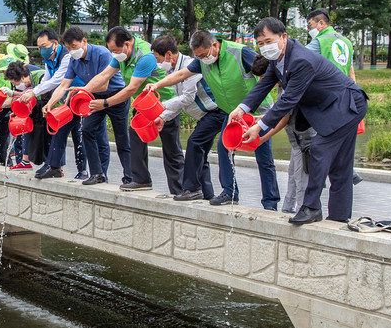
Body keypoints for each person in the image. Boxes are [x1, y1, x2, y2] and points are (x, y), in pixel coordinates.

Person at [233, 17, 367, 224]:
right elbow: (263, 85)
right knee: (340, 166)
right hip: (333, 106)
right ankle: (339, 218)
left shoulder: (301, 60)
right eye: (260, 43)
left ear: (284, 37)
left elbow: (288, 100)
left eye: (269, 41)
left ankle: (311, 207)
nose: (265, 47)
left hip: (347, 105)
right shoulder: (277, 60)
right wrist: (241, 109)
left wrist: (259, 127)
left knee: (319, 149)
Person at [149, 30, 280, 210]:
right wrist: (157, 84)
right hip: (232, 111)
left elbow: (267, 73)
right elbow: (180, 75)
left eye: (203, 54)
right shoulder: (202, 61)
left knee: (263, 156)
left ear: (215, 45)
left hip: (257, 110)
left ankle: (270, 203)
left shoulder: (240, 52)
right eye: (198, 56)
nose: (202, 59)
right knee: (224, 149)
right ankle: (229, 192)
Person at [80, 28, 182, 193]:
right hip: (144, 103)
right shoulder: (122, 55)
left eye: (116, 50)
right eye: (112, 51)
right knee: (135, 134)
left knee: (171, 148)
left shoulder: (145, 56)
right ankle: (141, 180)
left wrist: (105, 103)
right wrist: (84, 92)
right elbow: (103, 76)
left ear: (127, 44)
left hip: (163, 103)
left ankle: (179, 190)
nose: (114, 54)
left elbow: (131, 89)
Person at [43, 26, 133, 186]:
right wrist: (50, 104)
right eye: (69, 48)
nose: (72, 51)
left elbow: (104, 85)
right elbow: (64, 85)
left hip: (116, 97)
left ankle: (130, 176)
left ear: (84, 41)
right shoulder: (73, 60)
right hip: (94, 97)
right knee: (87, 130)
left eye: (74, 47)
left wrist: (80, 90)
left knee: (121, 138)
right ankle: (97, 173)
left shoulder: (102, 54)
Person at [145, 40, 223, 202]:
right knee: (200, 154)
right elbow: (178, 101)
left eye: (159, 59)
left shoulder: (189, 66)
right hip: (205, 115)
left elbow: (187, 97)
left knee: (194, 143)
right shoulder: (172, 70)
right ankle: (207, 195)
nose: (158, 63)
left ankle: (192, 189)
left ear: (169, 54)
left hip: (216, 110)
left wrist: (159, 107)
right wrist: (163, 117)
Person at [19, 28, 88, 180]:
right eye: (38, 47)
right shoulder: (48, 59)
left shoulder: (66, 56)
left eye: (44, 46)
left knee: (79, 134)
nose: (41, 50)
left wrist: (34, 92)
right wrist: (37, 96)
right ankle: (53, 165)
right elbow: (47, 80)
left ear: (55, 43)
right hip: (65, 98)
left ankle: (82, 170)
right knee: (58, 131)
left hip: (81, 97)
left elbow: (58, 80)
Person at [306, 8, 363, 187]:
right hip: (347, 96)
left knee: (323, 140)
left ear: (321, 23)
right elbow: (351, 70)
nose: (310, 30)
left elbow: (297, 59)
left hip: (327, 97)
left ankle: (322, 178)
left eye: (310, 25)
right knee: (341, 139)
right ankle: (349, 174)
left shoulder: (320, 42)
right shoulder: (346, 42)